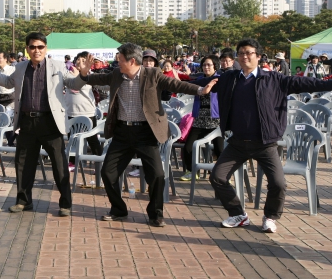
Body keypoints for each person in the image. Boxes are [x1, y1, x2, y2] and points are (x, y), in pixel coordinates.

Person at [194, 38, 332, 233]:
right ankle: (238, 214)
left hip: (265, 143)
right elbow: (198, 83)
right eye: (241, 53)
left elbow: (304, 82)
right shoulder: (229, 79)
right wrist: (169, 82)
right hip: (237, 143)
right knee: (217, 177)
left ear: (258, 56)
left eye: (249, 53)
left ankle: (270, 216)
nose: (244, 56)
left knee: (278, 183)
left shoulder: (274, 79)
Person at [72, 43, 216, 227]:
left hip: (146, 133)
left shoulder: (152, 74)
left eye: (120, 59)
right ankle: (118, 209)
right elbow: (97, 79)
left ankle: (156, 213)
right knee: (108, 173)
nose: (118, 62)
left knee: (157, 175)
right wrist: (84, 73)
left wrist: (200, 91)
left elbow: (175, 84)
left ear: (132, 60)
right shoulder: (117, 74)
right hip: (122, 132)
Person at [0, 32, 82, 217]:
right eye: (33, 47)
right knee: (23, 164)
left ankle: (65, 203)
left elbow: (73, 82)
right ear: (27, 49)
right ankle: (24, 201)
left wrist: (84, 74)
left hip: (50, 122)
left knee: (59, 165)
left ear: (46, 48)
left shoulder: (57, 66)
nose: (36, 50)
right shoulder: (20, 67)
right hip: (27, 122)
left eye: (40, 47)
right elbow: (8, 83)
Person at [180, 55, 224, 180]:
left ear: (215, 66)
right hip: (200, 118)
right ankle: (191, 171)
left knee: (220, 149)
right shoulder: (199, 80)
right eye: (204, 65)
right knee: (188, 147)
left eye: (209, 65)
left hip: (215, 119)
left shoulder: (220, 80)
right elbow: (187, 84)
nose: (206, 67)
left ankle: (224, 174)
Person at [64, 51, 102, 160]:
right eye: (78, 60)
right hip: (71, 112)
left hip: (87, 112)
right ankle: (72, 162)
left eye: (83, 61)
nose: (79, 63)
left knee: (92, 139)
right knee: (72, 138)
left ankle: (98, 162)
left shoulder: (90, 76)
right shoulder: (68, 75)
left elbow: (104, 86)